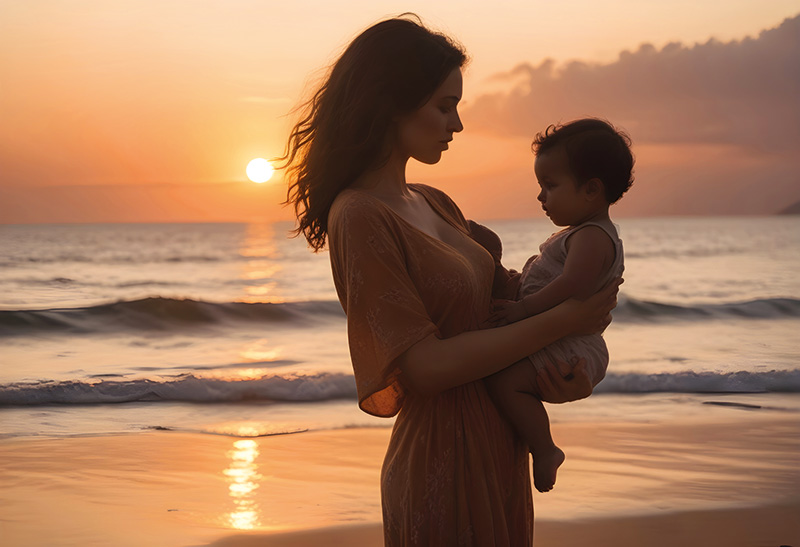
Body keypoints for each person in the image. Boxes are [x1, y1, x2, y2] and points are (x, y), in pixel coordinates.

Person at [281, 15, 620, 546]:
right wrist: (564, 319)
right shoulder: (360, 215)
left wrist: (572, 374)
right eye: (444, 106)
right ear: (392, 102)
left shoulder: (434, 202)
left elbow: (506, 303)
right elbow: (424, 368)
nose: (457, 124)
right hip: (441, 455)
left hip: (500, 450)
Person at [482, 119, 634, 494]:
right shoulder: (579, 234)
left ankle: (545, 449)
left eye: (549, 186)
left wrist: (523, 308)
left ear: (591, 190)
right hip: (561, 336)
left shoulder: (594, 238)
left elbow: (572, 286)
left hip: (570, 346)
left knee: (507, 384)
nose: (541, 197)